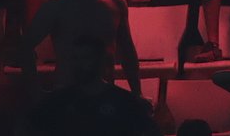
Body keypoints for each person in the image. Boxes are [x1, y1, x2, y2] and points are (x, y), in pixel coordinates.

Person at [21, 0, 142, 98]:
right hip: (68, 98)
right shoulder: (56, 7)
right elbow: (25, 48)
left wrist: (137, 94)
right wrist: (36, 94)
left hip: (104, 97)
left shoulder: (117, 3)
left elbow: (128, 53)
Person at [25, 34, 155, 136]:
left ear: (100, 61)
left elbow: (150, 131)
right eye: (75, 58)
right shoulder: (59, 101)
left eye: (86, 58)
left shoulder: (124, 102)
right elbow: (29, 126)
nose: (79, 64)